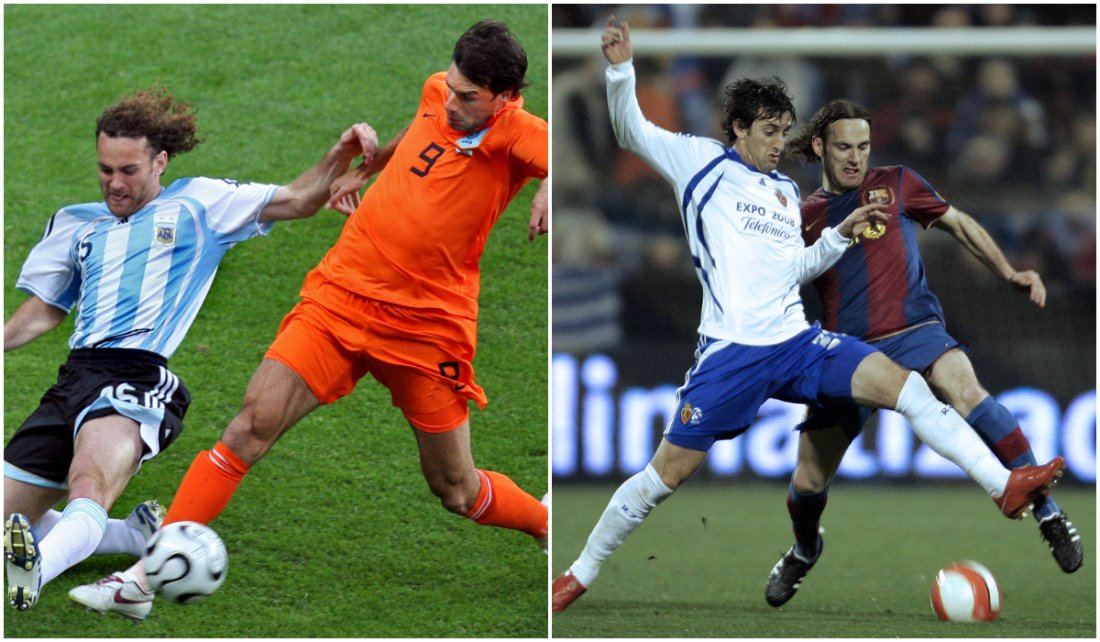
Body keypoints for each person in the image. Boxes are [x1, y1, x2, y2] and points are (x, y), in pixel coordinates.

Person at [551, 16, 1064, 613]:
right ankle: (580, 573)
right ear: (739, 128)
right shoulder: (698, 163)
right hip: (732, 352)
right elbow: (629, 127)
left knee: (908, 390)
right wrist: (620, 71)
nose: (778, 144)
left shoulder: (784, 193)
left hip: (797, 342)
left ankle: (1005, 487)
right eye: (769, 132)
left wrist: (841, 234)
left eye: (785, 132)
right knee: (666, 474)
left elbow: (794, 270)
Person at [72, 19, 549, 621]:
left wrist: (550, 187)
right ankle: (141, 582)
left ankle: (546, 522)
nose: (451, 101)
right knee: (249, 425)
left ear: (504, 97)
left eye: (468, 97)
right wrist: (368, 169)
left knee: (456, 488)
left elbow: (561, 153)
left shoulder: (518, 133)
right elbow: (417, 133)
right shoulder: (439, 95)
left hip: (426, 329)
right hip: (341, 296)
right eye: (451, 87)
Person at [3, 86, 379, 612]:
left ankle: (37, 570)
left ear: (160, 161)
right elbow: (46, 309)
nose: (115, 183)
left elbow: (298, 199)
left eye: (129, 170)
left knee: (89, 479)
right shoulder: (75, 222)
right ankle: (133, 537)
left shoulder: (200, 203)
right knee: (10, 520)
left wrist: (338, 156)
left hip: (135, 376)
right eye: (105, 169)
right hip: (72, 379)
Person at [763, 98, 1083, 608]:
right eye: (844, 146)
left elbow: (962, 224)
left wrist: (1008, 272)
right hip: (850, 352)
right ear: (820, 147)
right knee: (808, 478)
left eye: (863, 146)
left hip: (917, 329)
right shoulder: (802, 215)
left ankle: (1046, 512)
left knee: (966, 390)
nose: (855, 157)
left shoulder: (898, 183)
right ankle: (804, 550)